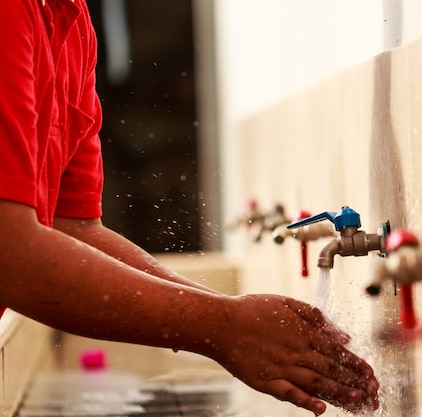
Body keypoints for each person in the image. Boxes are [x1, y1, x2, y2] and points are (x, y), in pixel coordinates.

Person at [0, 1, 379, 415]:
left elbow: (73, 229)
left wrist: (237, 322)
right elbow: (10, 252)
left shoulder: (71, 23)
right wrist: (223, 325)